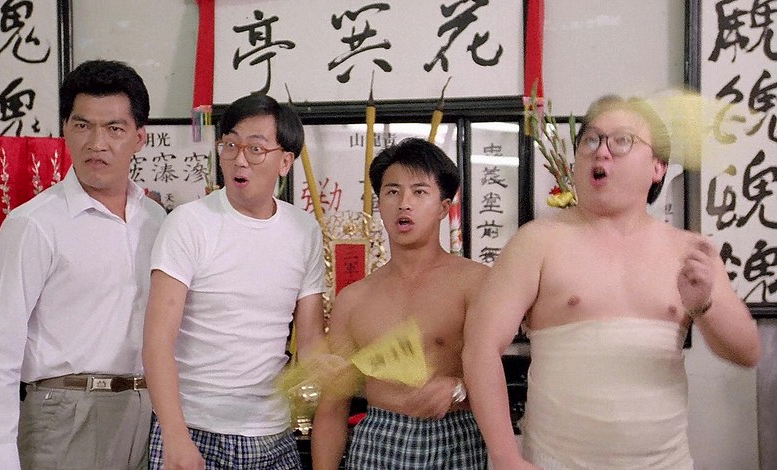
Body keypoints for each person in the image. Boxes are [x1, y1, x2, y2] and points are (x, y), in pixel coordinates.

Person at [463, 95, 761, 470]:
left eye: (622, 141)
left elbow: (747, 352)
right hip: (555, 462)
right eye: (591, 140)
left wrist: (705, 306)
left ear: (657, 167)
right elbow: (480, 346)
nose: (601, 151)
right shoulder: (536, 242)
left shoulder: (688, 251)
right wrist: (505, 455)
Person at [0, 59, 166, 470]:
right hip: (65, 411)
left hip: (144, 411)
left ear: (139, 137)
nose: (97, 143)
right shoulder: (34, 223)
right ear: (65, 130)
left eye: (114, 128)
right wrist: (0, 460)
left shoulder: (156, 220)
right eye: (83, 125)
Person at [142, 93, 326, 470]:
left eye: (255, 149)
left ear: (285, 162)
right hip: (194, 429)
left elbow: (310, 341)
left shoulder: (304, 231)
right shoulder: (189, 223)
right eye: (231, 145)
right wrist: (175, 437)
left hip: (272, 433)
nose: (240, 159)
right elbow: (157, 340)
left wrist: (343, 366)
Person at [312, 138, 490, 470]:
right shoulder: (353, 299)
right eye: (392, 192)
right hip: (377, 439)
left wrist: (460, 387)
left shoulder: (476, 282)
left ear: (443, 207)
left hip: (456, 435)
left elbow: (501, 374)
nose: (404, 203)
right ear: (379, 203)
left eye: (419, 192)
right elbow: (333, 406)